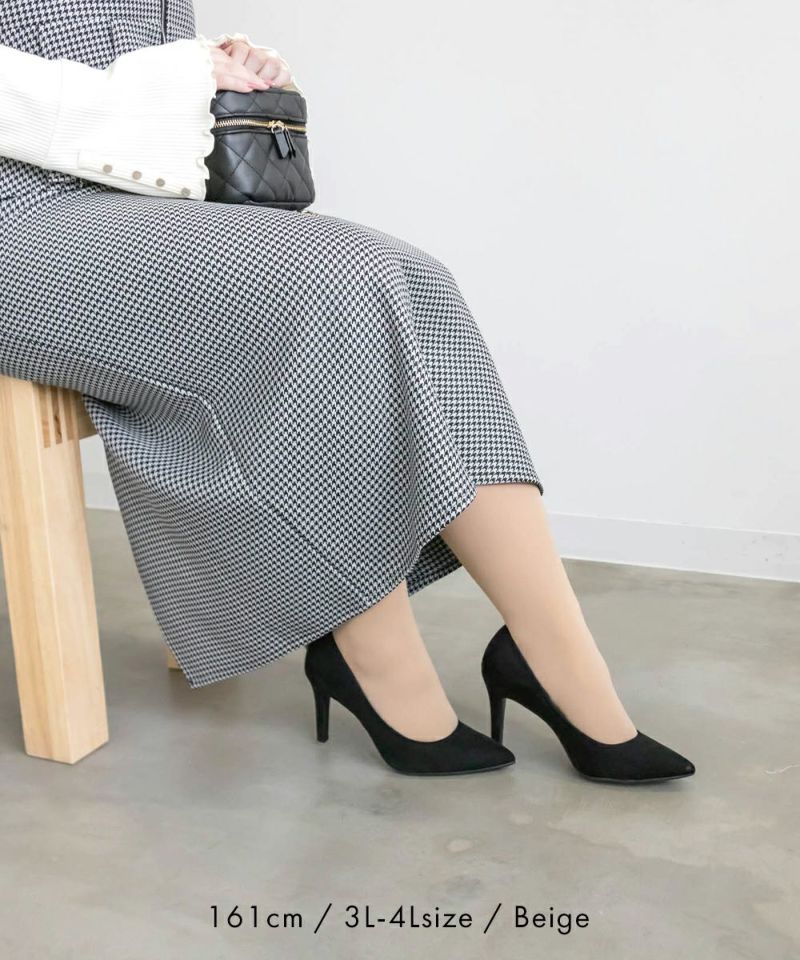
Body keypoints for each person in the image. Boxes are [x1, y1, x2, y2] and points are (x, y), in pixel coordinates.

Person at [0, 0, 694, 782]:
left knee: (413, 277)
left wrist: (227, 68)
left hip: (136, 197)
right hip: (17, 216)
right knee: (335, 284)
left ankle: (555, 655)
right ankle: (373, 652)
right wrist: (181, 75)